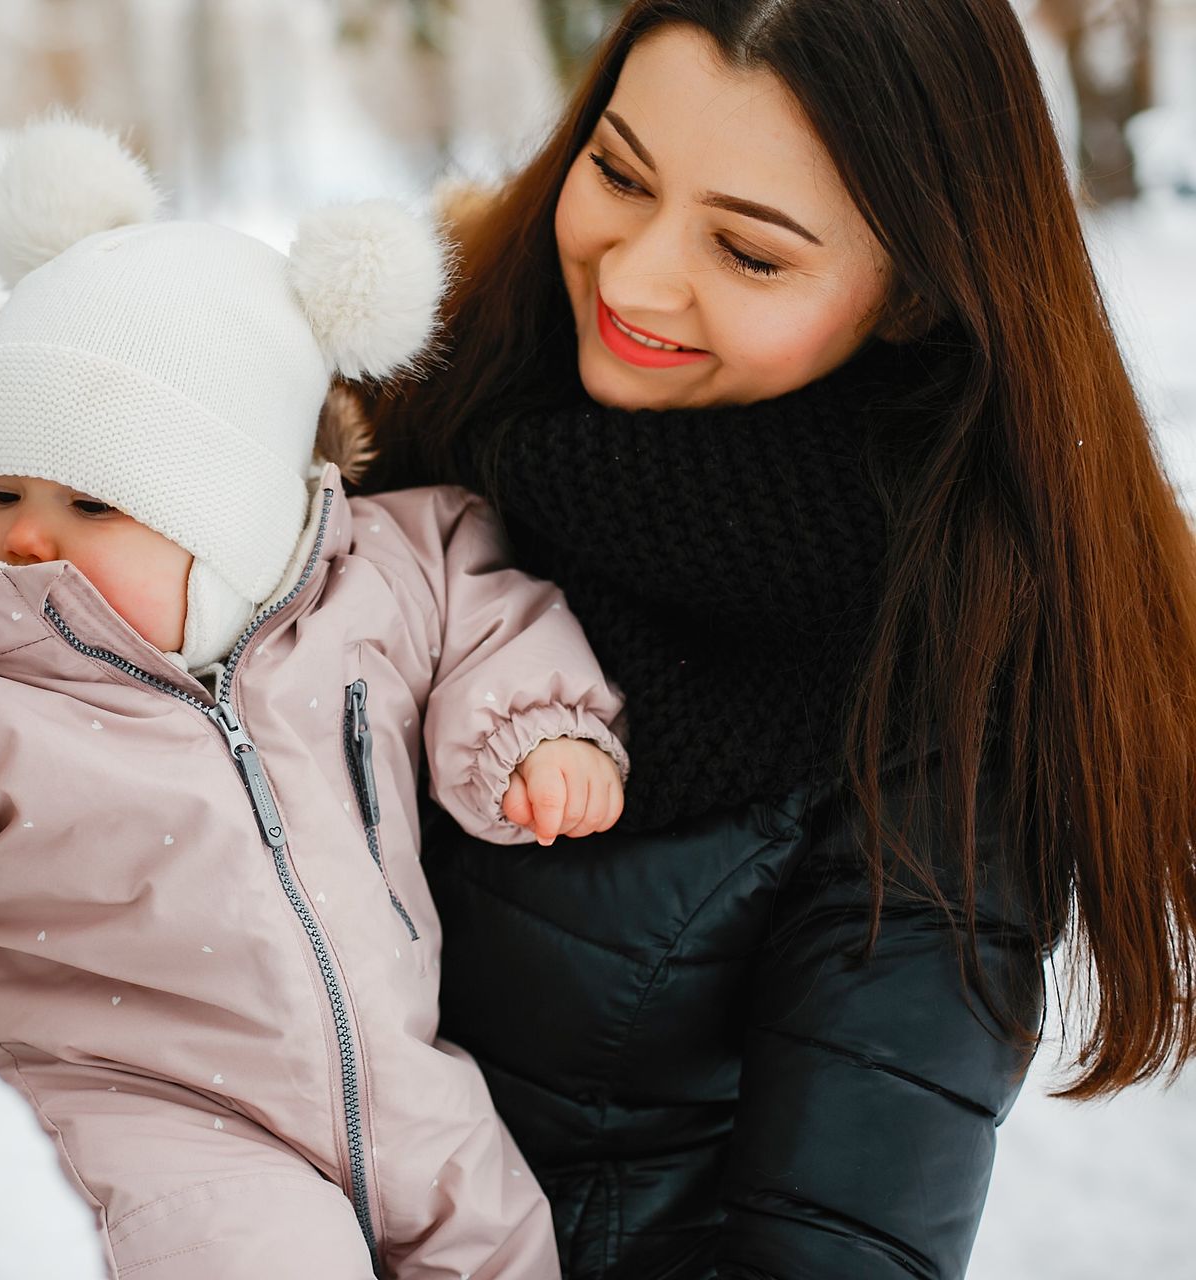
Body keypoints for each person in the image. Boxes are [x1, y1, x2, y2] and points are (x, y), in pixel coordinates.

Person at [356, 1, 1196, 1277]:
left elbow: (842, 1239)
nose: (634, 277)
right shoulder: (409, 402)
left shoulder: (941, 673)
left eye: (750, 253)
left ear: (914, 293)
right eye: (619, 172)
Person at [0, 119, 628, 1278]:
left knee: (501, 1241)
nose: (29, 533)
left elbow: (480, 597)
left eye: (99, 504)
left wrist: (531, 726)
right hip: (137, 1113)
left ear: (241, 517)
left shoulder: (364, 581)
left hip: (398, 1083)